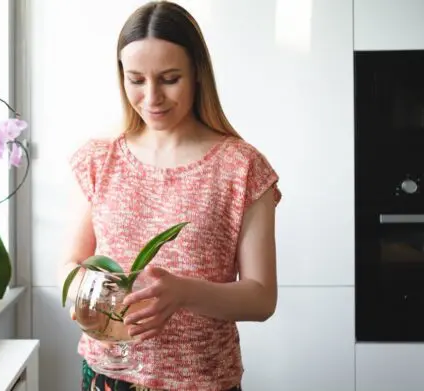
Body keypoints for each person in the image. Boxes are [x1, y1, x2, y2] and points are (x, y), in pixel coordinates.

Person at [59, 1, 281, 390]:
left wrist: (183, 293)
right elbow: (72, 264)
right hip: (108, 375)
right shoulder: (97, 160)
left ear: (197, 72)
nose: (152, 97)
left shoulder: (242, 167)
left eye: (169, 78)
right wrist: (86, 300)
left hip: (204, 381)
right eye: (136, 80)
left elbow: (261, 298)